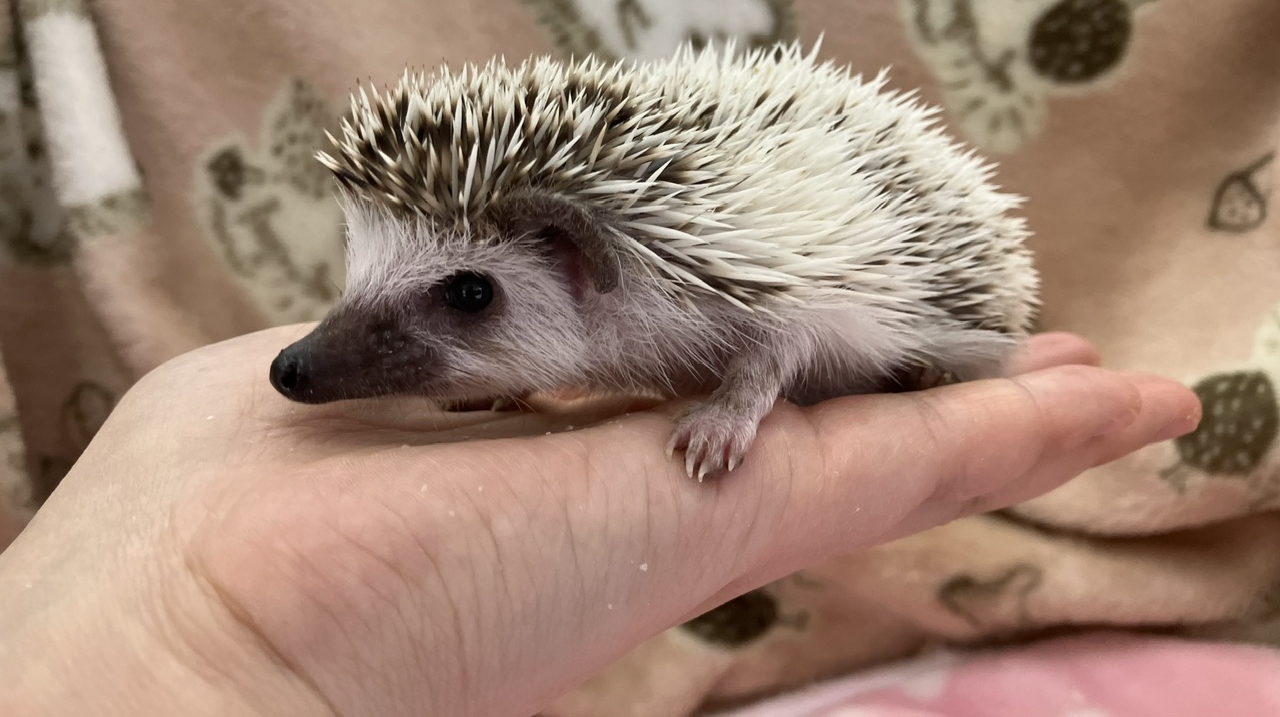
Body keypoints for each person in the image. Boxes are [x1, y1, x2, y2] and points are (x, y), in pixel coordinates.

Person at [0, 325, 1198, 716]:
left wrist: (741, 398)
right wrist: (193, 635)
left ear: (582, 266)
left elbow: (779, 322)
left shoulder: (705, 284)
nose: (312, 364)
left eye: (466, 297)